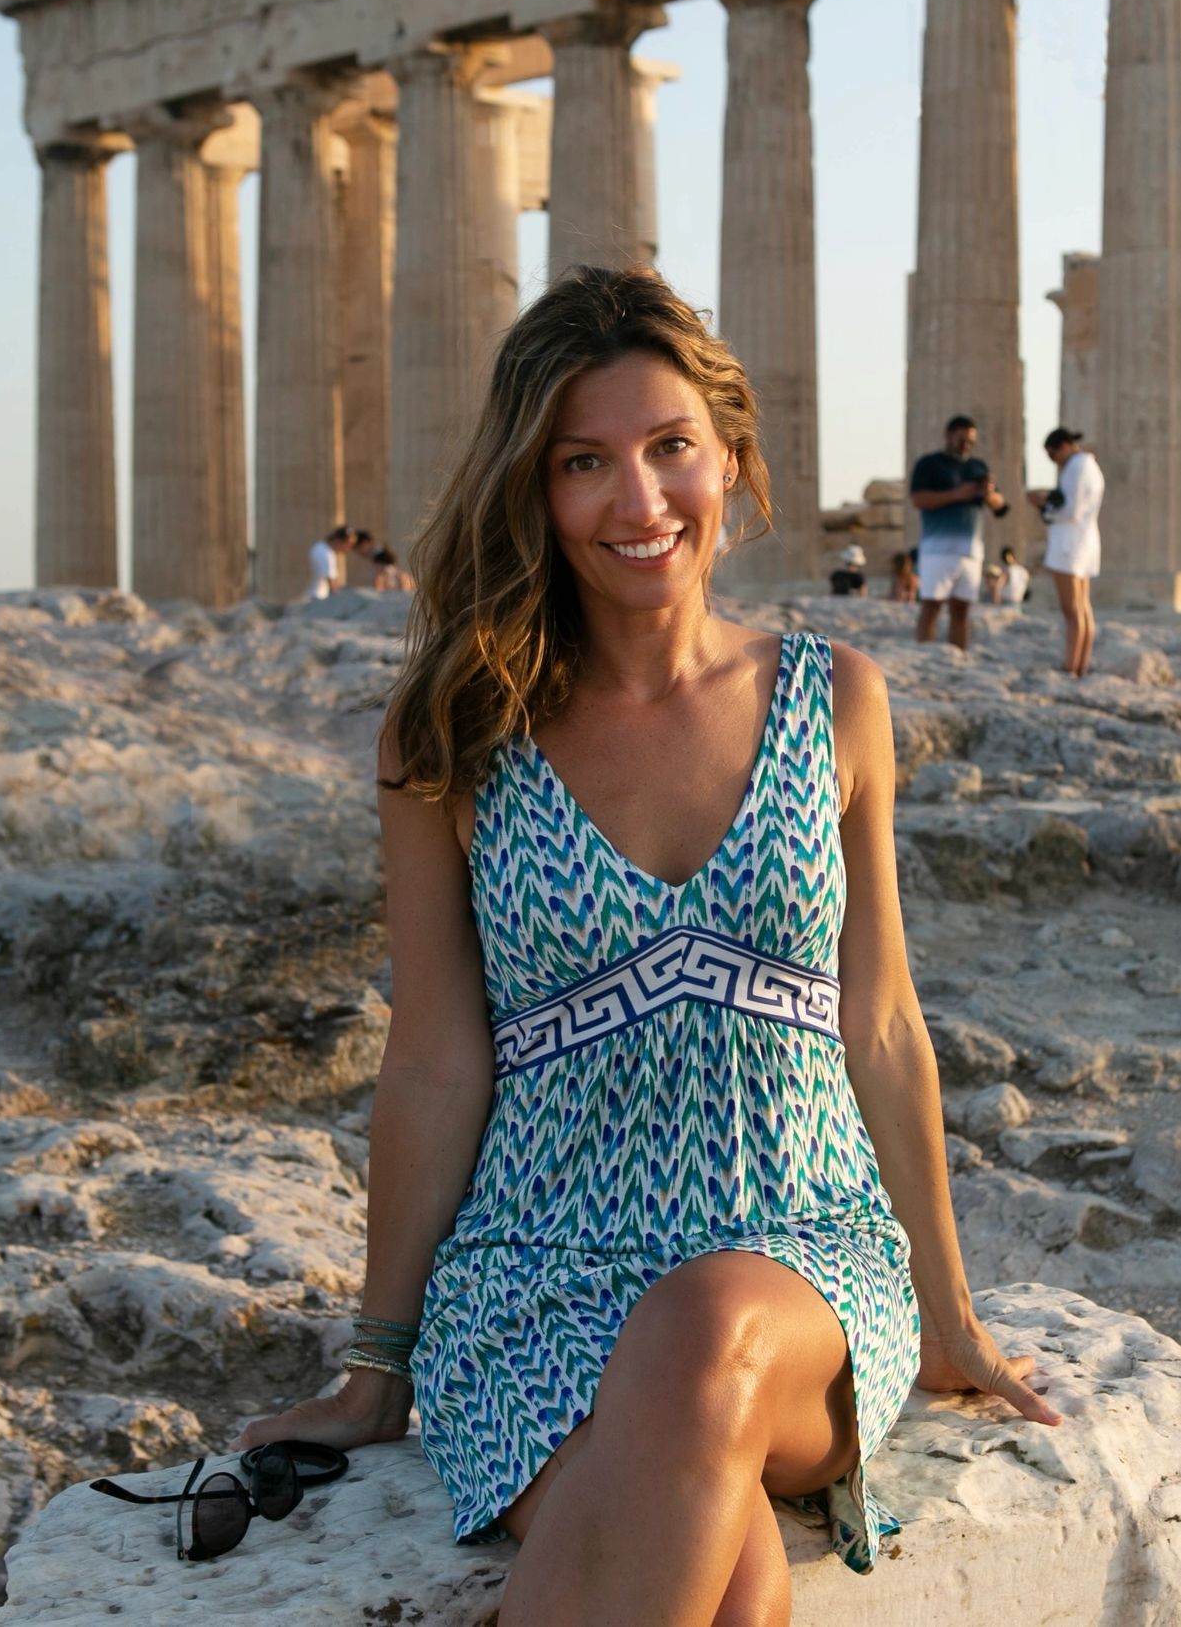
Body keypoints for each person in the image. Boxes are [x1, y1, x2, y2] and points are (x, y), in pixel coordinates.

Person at [235, 268, 1060, 1627]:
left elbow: (881, 1020)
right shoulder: (452, 732)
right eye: (583, 461)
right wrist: (379, 1367)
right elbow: (434, 1059)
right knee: (729, 1587)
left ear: (729, 455)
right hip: (534, 1276)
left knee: (698, 1331)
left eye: (670, 445)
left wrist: (951, 1313)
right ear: (534, 486)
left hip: (801, 1259)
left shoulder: (835, 697)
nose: (638, 499)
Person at [909, 415, 1009, 651]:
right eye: (962, 439)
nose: (966, 445)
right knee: (931, 605)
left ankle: (958, 655)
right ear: (948, 436)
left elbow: (1001, 507)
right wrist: (957, 494)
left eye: (971, 441)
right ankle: (924, 652)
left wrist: (989, 495)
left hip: (970, 551)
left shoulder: (978, 467)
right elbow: (918, 499)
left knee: (962, 609)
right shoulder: (929, 464)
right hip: (937, 549)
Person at [1028, 427, 1104, 677]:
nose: (1053, 461)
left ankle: (1070, 665)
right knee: (1082, 608)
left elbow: (1071, 511)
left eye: (1052, 455)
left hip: (1069, 545)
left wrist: (1043, 504)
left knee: (1071, 610)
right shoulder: (1090, 466)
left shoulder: (1076, 468)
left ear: (1063, 447)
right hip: (1083, 542)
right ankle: (1080, 665)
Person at [306, 524, 354, 600]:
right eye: (348, 544)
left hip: (314, 597)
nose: (349, 549)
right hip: (318, 598)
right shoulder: (326, 553)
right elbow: (332, 585)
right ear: (338, 541)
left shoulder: (320, 547)